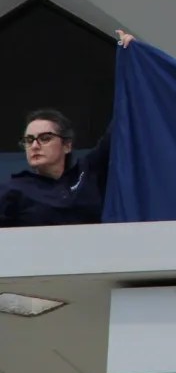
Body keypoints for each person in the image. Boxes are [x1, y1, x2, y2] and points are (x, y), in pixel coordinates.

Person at [1, 30, 135, 227]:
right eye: (29, 140)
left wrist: (133, 62)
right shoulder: (13, 190)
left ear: (67, 145)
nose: (35, 146)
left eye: (45, 138)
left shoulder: (87, 173)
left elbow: (120, 128)